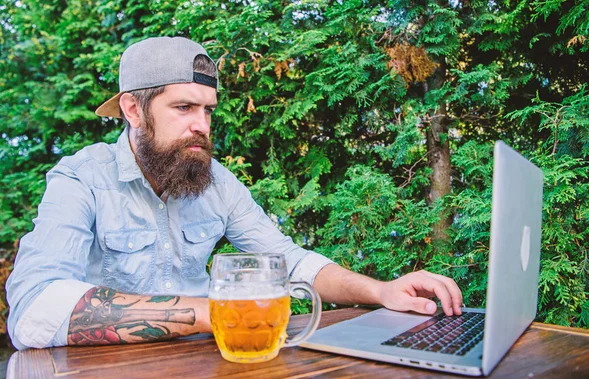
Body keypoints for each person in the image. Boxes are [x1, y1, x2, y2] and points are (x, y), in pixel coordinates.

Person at [6, 36, 463, 349]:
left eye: (208, 111)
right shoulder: (81, 177)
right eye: (183, 107)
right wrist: (220, 314)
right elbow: (33, 310)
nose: (201, 127)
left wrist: (380, 290)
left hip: (211, 362)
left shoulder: (216, 181)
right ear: (134, 110)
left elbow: (289, 261)